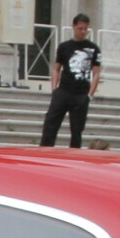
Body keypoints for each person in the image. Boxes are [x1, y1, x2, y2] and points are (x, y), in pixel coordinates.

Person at [42, 13, 102, 148]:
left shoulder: (94, 49)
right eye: (80, 28)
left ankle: (74, 153)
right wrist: (54, 89)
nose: (83, 31)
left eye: (85, 29)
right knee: (50, 124)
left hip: (81, 93)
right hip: (63, 90)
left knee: (77, 129)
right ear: (74, 27)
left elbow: (97, 73)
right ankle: (45, 150)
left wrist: (89, 95)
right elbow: (56, 68)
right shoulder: (64, 47)